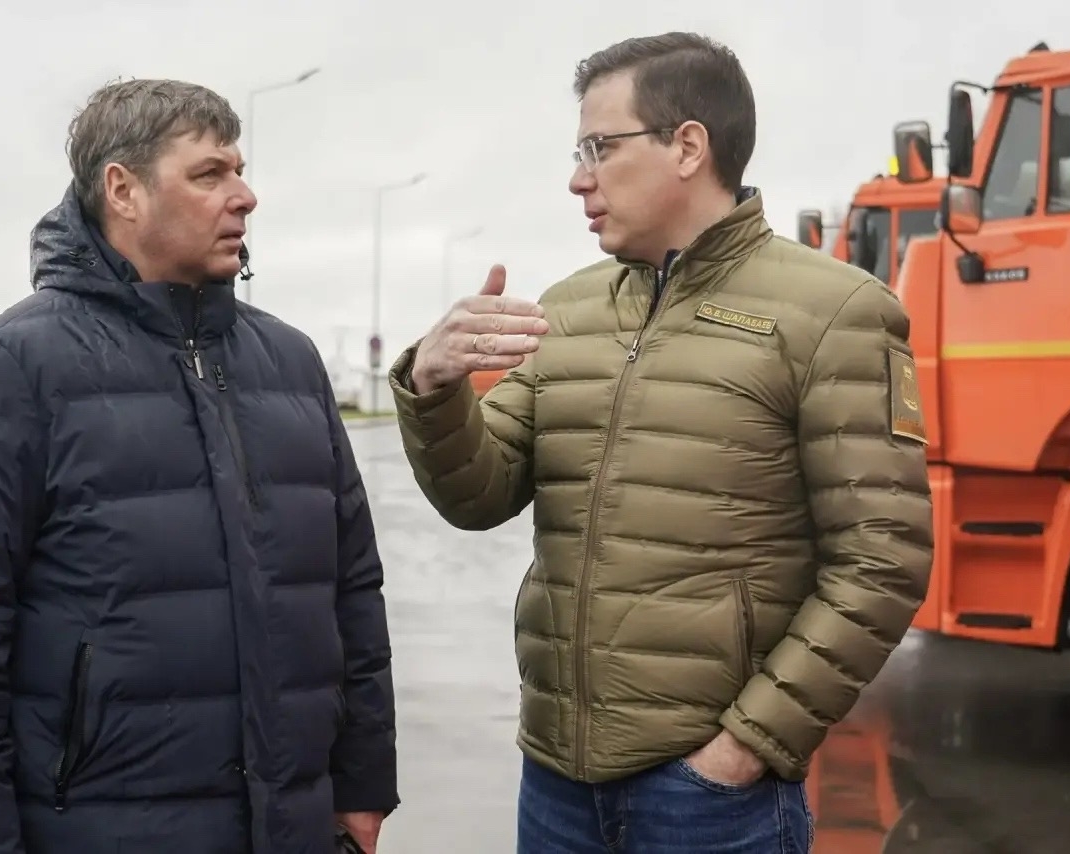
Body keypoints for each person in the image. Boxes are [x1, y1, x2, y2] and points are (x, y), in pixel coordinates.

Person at [389, 32, 934, 852]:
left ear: (687, 146)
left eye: (600, 148)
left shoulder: (835, 312)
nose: (578, 179)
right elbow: (479, 496)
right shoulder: (566, 310)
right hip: (557, 784)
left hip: (709, 800)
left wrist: (747, 746)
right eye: (578, 153)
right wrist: (435, 393)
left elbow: (882, 559)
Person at [0, 79, 397, 853]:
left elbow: (352, 591)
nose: (244, 196)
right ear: (124, 190)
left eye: (240, 170)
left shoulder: (290, 361)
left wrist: (364, 785)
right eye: (209, 173)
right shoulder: (9, 369)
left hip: (293, 826)